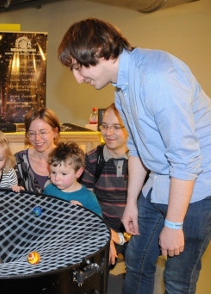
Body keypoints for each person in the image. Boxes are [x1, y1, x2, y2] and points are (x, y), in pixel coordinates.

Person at [58, 17, 211, 294]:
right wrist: (131, 203)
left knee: (177, 280)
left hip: (196, 187)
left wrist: (174, 224)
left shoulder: (159, 76)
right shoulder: (122, 90)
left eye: (78, 68)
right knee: (137, 265)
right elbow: (139, 150)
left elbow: (186, 159)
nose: (78, 78)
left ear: (100, 52)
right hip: (159, 182)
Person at [80, 103, 129, 267]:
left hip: (135, 230)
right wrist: (105, 234)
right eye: (105, 126)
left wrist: (126, 236)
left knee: (141, 271)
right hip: (101, 226)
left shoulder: (142, 161)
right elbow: (85, 205)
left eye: (116, 127)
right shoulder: (93, 159)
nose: (108, 133)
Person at [43, 141, 102, 216]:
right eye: (53, 172)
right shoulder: (49, 190)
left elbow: (99, 224)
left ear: (78, 172)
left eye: (63, 174)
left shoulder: (89, 198)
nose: (56, 178)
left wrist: (83, 213)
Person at [14, 107, 60, 193]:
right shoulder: (18, 160)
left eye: (43, 132)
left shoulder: (69, 160)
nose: (37, 138)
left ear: (55, 132)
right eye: (32, 133)